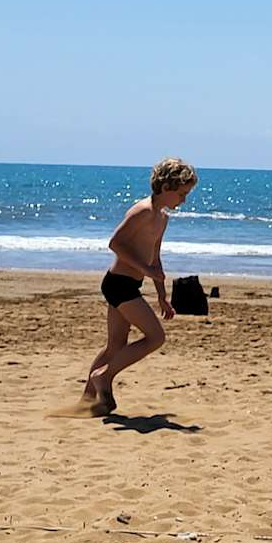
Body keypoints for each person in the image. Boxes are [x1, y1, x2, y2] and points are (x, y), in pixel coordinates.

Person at [81, 157, 198, 414]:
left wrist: (162, 295)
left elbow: (155, 258)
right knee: (156, 337)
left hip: (129, 285)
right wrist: (145, 270)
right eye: (181, 194)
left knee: (115, 346)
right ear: (166, 187)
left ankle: (87, 401)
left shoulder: (162, 218)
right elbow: (115, 243)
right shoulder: (142, 211)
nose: (183, 200)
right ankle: (104, 376)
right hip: (118, 284)